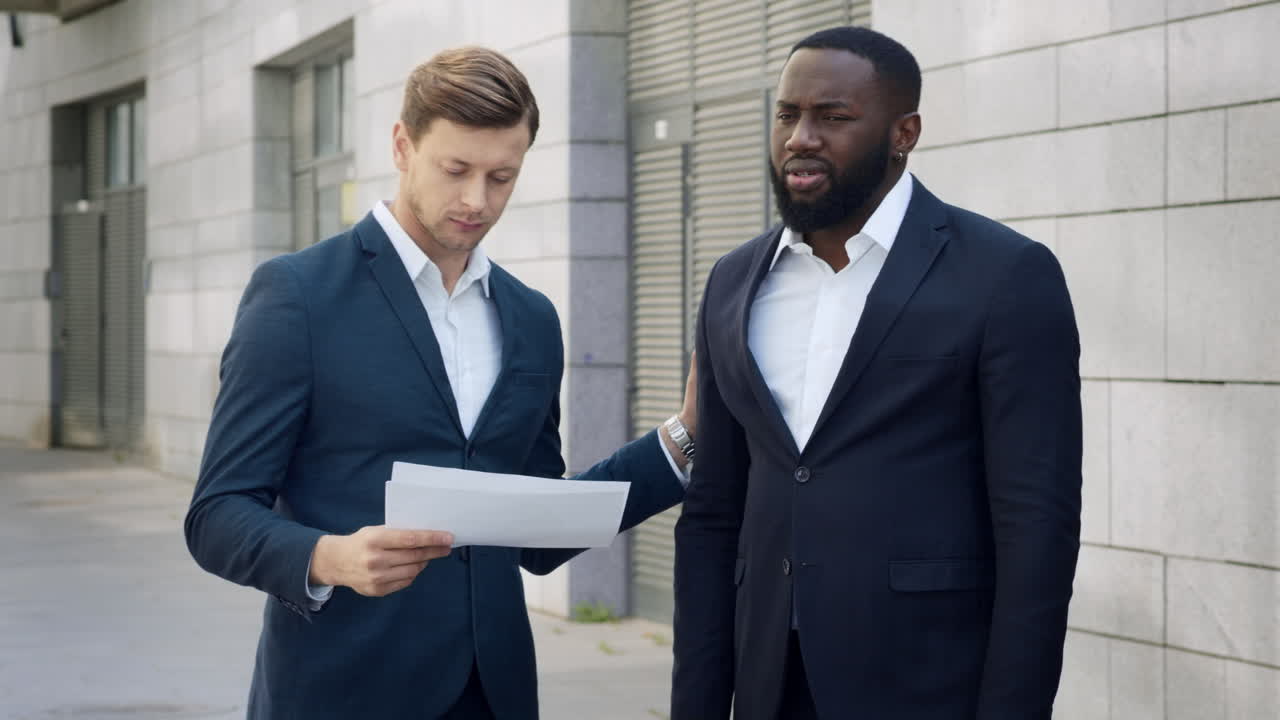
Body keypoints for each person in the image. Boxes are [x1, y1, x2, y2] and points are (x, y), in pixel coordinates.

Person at [185, 46, 696, 720]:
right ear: (403, 145)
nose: (477, 200)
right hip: (342, 690)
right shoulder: (297, 297)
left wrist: (682, 442)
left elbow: (537, 529)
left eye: (502, 177)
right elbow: (216, 514)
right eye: (455, 170)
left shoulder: (532, 319)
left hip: (494, 694)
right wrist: (328, 557)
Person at [671, 26, 1081, 720]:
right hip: (769, 679)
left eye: (833, 117)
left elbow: (1036, 530)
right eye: (788, 114)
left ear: (903, 132)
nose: (801, 136)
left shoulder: (1005, 274)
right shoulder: (733, 281)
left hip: (928, 682)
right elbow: (713, 514)